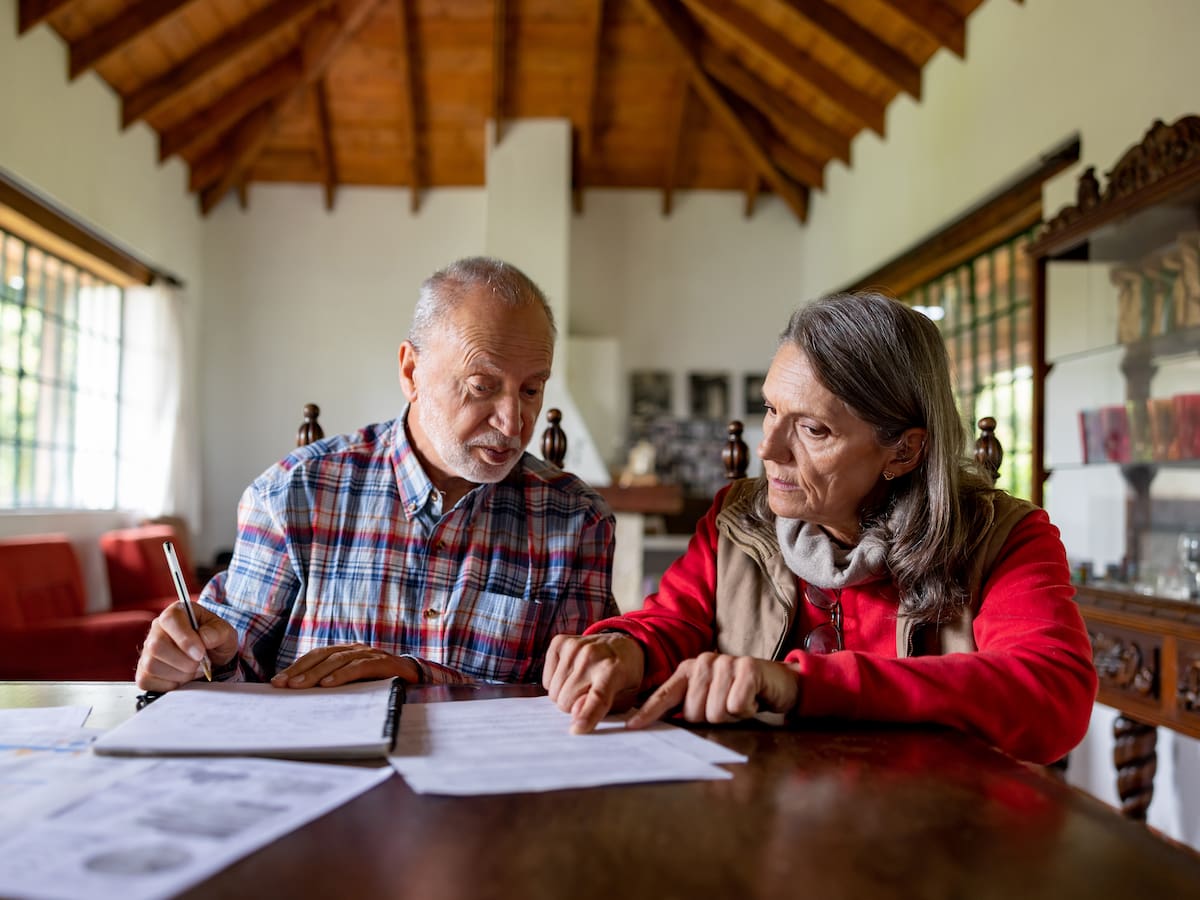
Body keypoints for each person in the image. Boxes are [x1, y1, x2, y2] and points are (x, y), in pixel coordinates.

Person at [545, 291, 1097, 764]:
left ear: (903, 450)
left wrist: (803, 684)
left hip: (934, 841)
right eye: (769, 410)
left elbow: (1053, 694)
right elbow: (670, 622)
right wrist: (622, 650)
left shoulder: (1003, 539)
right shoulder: (738, 521)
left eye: (812, 428)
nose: (768, 449)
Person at [137, 257, 616, 692]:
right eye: (482, 386)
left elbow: (576, 697)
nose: (513, 423)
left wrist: (413, 674)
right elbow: (229, 674)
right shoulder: (293, 495)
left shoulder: (576, 521)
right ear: (411, 372)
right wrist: (193, 661)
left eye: (532, 390)